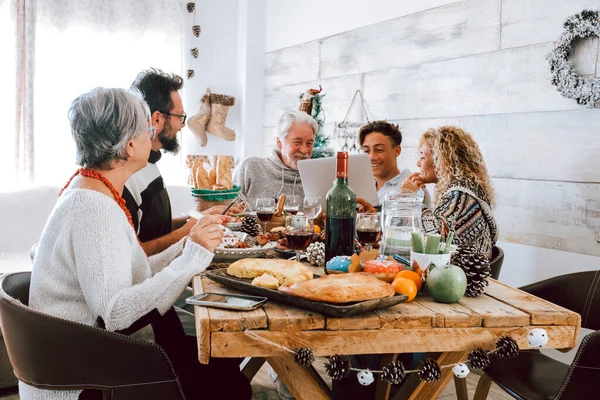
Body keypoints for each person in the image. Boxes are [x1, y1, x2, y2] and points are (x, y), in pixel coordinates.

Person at [24, 87, 251, 400]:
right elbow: (117, 316)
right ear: (130, 146)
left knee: (222, 368)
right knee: (228, 384)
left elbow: (131, 271)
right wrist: (191, 259)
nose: (153, 133)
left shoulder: (91, 189)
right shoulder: (93, 208)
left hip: (86, 358)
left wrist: (187, 247)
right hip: (82, 380)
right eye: (148, 128)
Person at [124, 68, 241, 258]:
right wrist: (190, 231)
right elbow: (133, 257)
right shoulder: (127, 174)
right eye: (180, 117)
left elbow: (155, 228)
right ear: (157, 119)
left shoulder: (149, 163)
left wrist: (200, 217)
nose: (183, 125)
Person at [401, 126, 498, 257]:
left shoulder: (461, 195)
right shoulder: (465, 188)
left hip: (459, 274)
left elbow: (436, 241)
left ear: (441, 160)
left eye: (422, 157)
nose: (418, 163)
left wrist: (413, 201)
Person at [233, 110, 318, 207]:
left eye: (309, 143)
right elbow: (228, 210)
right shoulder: (251, 167)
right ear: (279, 142)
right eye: (297, 142)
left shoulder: (315, 179)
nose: (304, 150)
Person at [358, 120, 430, 207]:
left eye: (379, 149)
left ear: (397, 151)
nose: (371, 157)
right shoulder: (360, 187)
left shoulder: (414, 189)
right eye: (366, 151)